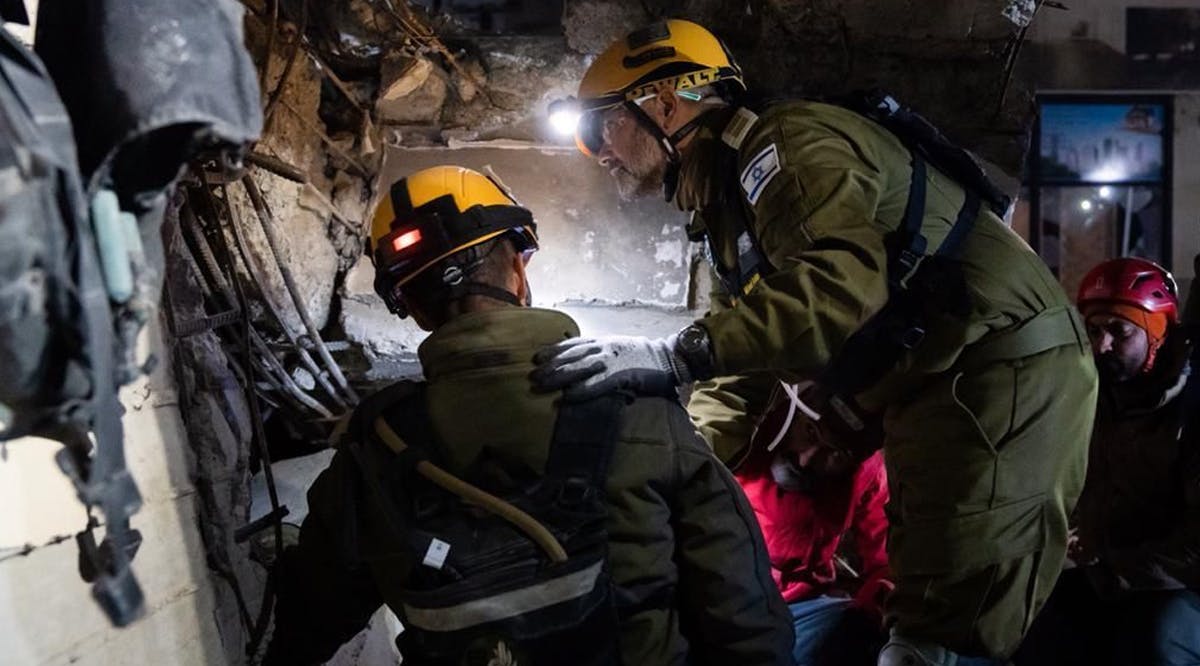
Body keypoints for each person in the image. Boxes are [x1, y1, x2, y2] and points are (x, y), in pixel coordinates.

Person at [532, 18, 1098, 665]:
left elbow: (837, 290)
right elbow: (740, 371)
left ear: (663, 101)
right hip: (941, 380)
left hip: (999, 365)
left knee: (957, 615)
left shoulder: (787, 146)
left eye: (600, 127)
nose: (596, 152)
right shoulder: (727, 211)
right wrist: (685, 472)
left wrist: (671, 355)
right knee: (927, 609)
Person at [263, 165, 794, 665]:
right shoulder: (640, 408)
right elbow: (742, 613)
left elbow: (309, 617)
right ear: (518, 267)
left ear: (416, 309)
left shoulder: (375, 450)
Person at [1016, 257, 1200, 666]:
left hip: (1179, 584)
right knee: (1034, 632)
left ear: (1157, 334)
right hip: (1111, 573)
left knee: (1158, 641)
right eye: (1094, 330)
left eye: (1120, 331)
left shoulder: (1191, 411)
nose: (1102, 345)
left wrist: (1118, 569)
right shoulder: (1093, 397)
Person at [742, 381, 892, 665]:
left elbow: (883, 556)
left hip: (805, 606)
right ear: (797, 415)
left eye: (835, 453)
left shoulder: (865, 475)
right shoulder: (747, 439)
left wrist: (873, 607)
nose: (806, 458)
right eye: (810, 431)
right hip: (734, 601)